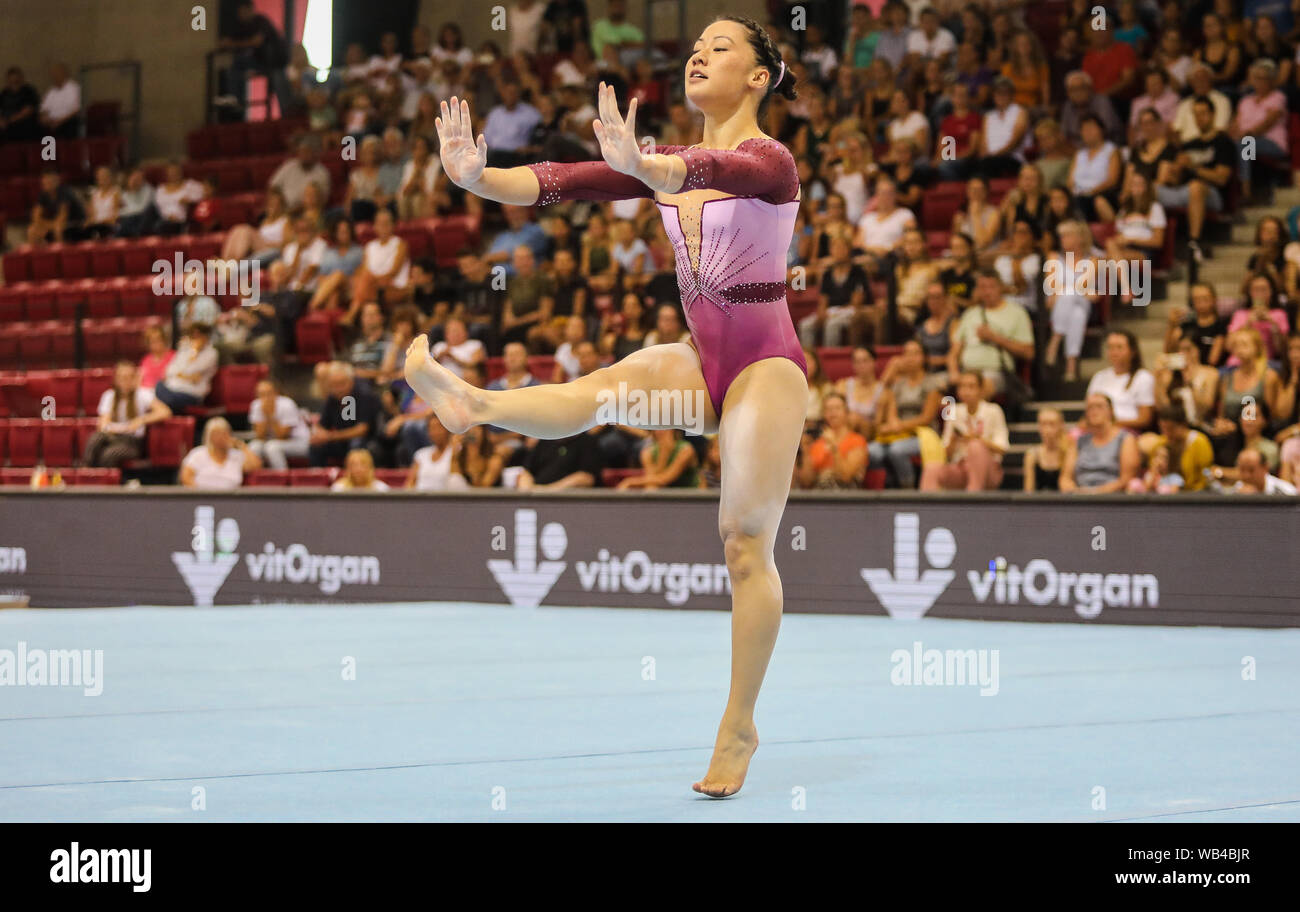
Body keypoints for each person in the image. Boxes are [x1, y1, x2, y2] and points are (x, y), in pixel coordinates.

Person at [404, 17, 810, 798]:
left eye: (721, 47)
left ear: (760, 77)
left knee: (743, 542)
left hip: (766, 366)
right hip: (702, 362)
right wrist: (478, 179)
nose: (700, 52)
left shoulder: (770, 160)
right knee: (597, 394)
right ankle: (474, 404)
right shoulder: (656, 166)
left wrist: (653, 163)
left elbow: (719, 166)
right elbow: (565, 179)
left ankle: (739, 724)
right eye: (696, 43)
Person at [869, 339, 943, 489]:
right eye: (907, 353)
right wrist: (891, 424)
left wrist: (899, 426)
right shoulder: (899, 384)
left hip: (923, 433)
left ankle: (907, 490)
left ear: (924, 357)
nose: (910, 358)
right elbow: (892, 410)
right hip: (899, 433)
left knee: (897, 450)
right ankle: (884, 486)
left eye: (915, 353)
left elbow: (926, 417)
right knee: (872, 451)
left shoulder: (933, 382)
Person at [920, 370, 1008, 491]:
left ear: (981, 390)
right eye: (962, 386)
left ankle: (973, 501)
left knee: (975, 446)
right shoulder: (953, 411)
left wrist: (977, 440)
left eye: (971, 386)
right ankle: (926, 508)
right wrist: (953, 440)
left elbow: (1002, 448)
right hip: (961, 467)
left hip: (989, 470)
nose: (966, 391)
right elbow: (946, 454)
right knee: (932, 468)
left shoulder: (993, 410)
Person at [83, 361, 172, 469]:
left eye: (129, 377)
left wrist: (141, 420)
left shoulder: (143, 394)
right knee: (95, 438)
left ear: (134, 378)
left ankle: (106, 483)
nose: (125, 381)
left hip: (132, 442)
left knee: (109, 454)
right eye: (122, 377)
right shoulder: (109, 396)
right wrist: (125, 428)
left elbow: (165, 411)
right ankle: (85, 475)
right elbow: (103, 426)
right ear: (116, 379)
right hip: (113, 437)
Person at [1059, 393, 1140, 493]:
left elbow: (1126, 479)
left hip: (1112, 499)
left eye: (1099, 406)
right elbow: (1065, 478)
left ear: (1111, 411)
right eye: (1090, 408)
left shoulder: (1125, 439)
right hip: (1080, 498)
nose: (1094, 411)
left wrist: (1095, 492)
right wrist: (1073, 490)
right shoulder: (1079, 441)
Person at [310, 361, 382, 467]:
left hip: (369, 440)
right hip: (341, 440)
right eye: (333, 385)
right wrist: (318, 434)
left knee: (356, 444)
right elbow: (322, 425)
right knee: (316, 445)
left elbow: (362, 429)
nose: (338, 389)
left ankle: (354, 479)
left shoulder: (364, 394)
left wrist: (330, 436)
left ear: (351, 381)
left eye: (341, 384)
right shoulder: (332, 398)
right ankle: (318, 477)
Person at [1086, 329, 1156, 432]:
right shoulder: (1099, 376)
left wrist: (1111, 423)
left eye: (1119, 347)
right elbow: (1089, 409)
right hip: (1098, 430)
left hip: (1127, 431)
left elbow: (1144, 419)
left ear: (1132, 351)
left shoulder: (1143, 377)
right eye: (1110, 347)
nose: (1114, 352)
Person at [180, 417, 261, 489]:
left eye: (224, 433)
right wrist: (201, 495)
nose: (221, 437)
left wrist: (241, 446)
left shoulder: (237, 456)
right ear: (209, 436)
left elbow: (256, 465)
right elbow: (186, 478)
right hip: (201, 500)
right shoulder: (198, 454)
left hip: (231, 501)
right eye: (217, 434)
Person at [247, 379, 310, 470]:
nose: (265, 397)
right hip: (272, 440)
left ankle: (281, 478)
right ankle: (257, 480)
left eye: (268, 393)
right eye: (261, 394)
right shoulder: (256, 405)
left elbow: (283, 435)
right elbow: (259, 436)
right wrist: (265, 414)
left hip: (299, 441)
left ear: (276, 392)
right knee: (254, 447)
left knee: (272, 447)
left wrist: (270, 415)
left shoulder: (287, 404)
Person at [154, 324, 218, 413]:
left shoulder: (211, 353)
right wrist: (186, 375)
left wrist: (194, 353)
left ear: (206, 336)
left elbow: (193, 369)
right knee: (158, 385)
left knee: (165, 398)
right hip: (172, 389)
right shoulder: (184, 351)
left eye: (198, 335)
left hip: (191, 394)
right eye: (193, 335)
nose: (195, 338)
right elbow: (169, 370)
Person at [617, 428, 700, 489]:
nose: (661, 431)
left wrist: (631, 482)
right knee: (651, 488)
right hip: (666, 498)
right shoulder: (647, 453)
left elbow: (666, 479)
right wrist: (663, 453)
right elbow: (652, 480)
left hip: (691, 496)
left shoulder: (686, 449)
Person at [405, 415, 469, 490]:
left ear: (447, 429)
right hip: (420, 499)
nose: (435, 432)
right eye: (431, 428)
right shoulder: (421, 454)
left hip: (445, 498)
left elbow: (458, 482)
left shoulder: (456, 451)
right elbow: (411, 482)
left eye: (439, 427)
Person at [1023, 407, 1068, 492]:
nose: (1047, 429)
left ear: (1061, 425)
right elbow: (1028, 491)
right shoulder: (1032, 455)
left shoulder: (1068, 452)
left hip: (1064, 502)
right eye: (1043, 424)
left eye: (1052, 424)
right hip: (1039, 503)